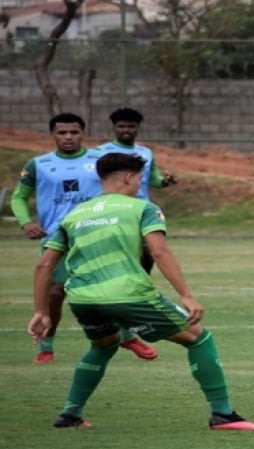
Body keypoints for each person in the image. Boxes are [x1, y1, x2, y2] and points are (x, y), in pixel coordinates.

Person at [27, 153, 254, 431]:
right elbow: (158, 250)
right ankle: (223, 415)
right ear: (129, 177)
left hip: (83, 299)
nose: (140, 184)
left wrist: (41, 311)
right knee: (200, 339)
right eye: (140, 179)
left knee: (103, 345)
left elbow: (45, 264)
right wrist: (186, 296)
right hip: (129, 295)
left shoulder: (74, 215)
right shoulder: (142, 208)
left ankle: (70, 415)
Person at [11, 113, 158, 364]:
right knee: (55, 293)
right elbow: (18, 197)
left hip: (97, 232)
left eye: (74, 132)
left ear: (83, 134)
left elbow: (129, 180)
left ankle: (125, 336)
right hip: (58, 236)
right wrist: (26, 222)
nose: (68, 137)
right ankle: (46, 345)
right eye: (62, 133)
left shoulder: (100, 159)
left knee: (114, 289)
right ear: (53, 135)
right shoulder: (39, 164)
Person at [95, 107, 179, 272]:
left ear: (138, 128)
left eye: (131, 126)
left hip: (140, 210)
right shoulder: (99, 152)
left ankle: (142, 281)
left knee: (149, 251)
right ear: (114, 128)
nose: (126, 130)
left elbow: (152, 179)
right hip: (113, 210)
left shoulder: (145, 152)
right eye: (121, 126)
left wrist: (165, 181)